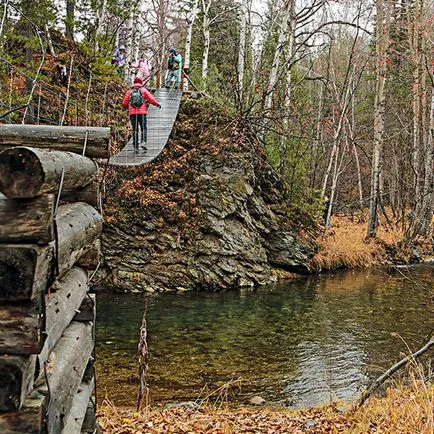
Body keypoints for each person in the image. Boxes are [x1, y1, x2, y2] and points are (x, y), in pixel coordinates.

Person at [123, 77, 161, 152]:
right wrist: (157, 104)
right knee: (143, 128)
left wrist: (126, 107)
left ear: (134, 83)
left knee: (135, 129)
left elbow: (124, 103)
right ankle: (143, 142)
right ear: (141, 83)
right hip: (142, 113)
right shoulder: (143, 90)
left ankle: (135, 147)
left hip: (133, 113)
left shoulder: (129, 91)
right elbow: (151, 99)